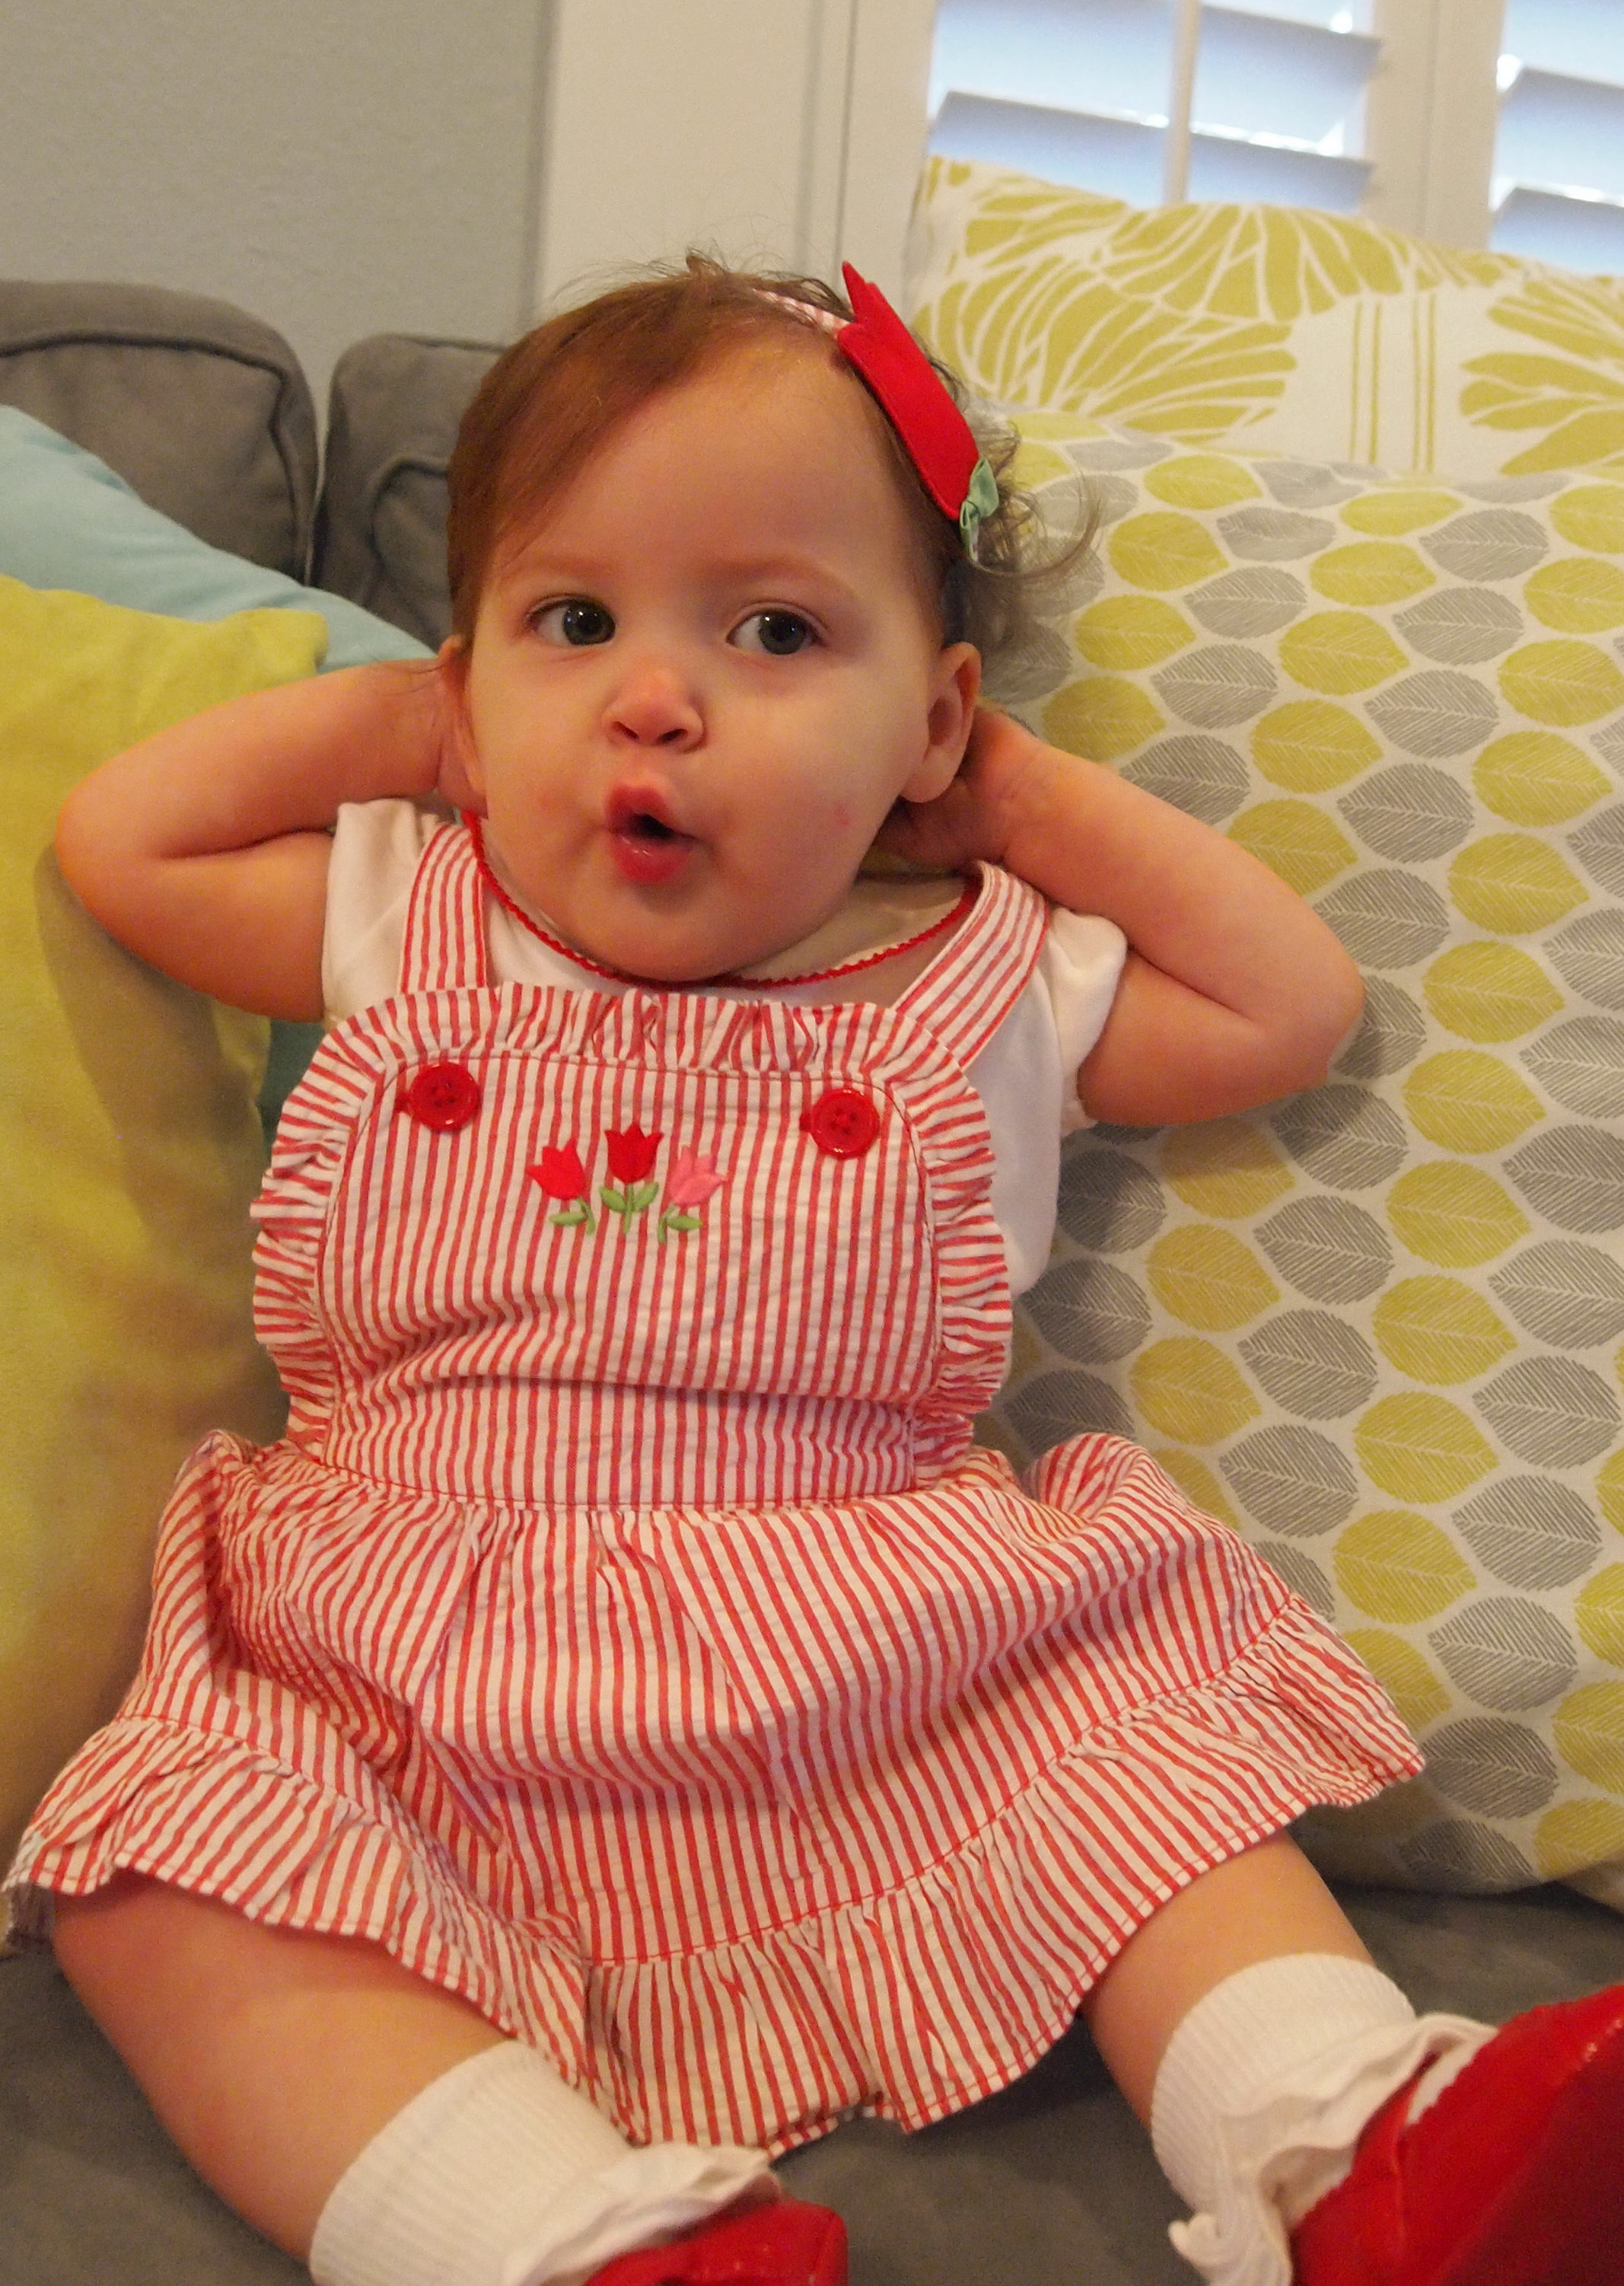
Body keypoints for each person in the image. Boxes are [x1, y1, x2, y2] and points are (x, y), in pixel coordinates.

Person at [8, 259, 1621, 2286]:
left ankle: (1353, 2140)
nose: (654, 698)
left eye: (775, 631)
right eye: (573, 623)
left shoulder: (981, 978)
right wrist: (422, 725)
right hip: (408, 1667)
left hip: (883, 1657)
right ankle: (559, 2240)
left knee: (1152, 1781)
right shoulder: (411, 914)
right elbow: (123, 842)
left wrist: (1018, 800)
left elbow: (1288, 1003)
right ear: (473, 682)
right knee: (163, 1875)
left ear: (931, 716)